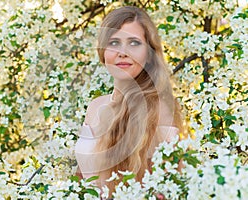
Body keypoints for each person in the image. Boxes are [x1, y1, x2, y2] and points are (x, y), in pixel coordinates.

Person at [74, 6, 183, 195]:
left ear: (149, 53)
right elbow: (84, 179)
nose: (123, 52)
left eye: (134, 43)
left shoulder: (160, 109)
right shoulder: (95, 106)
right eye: (114, 42)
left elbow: (168, 188)